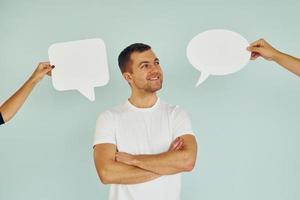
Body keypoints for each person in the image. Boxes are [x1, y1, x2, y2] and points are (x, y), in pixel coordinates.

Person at [93, 43, 198, 200]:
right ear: (128, 76)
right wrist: (167, 162)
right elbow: (107, 173)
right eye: (145, 66)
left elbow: (187, 161)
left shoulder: (176, 114)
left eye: (156, 62)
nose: (155, 69)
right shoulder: (109, 118)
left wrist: (134, 160)